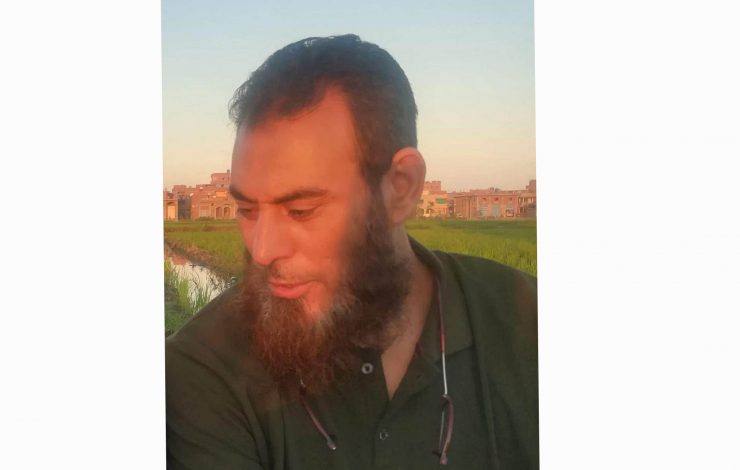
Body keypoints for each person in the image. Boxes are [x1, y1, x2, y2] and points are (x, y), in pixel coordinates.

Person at [166, 34, 538, 470]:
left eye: (301, 210)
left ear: (401, 188)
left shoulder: (526, 323)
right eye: (247, 210)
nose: (262, 250)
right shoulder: (204, 368)